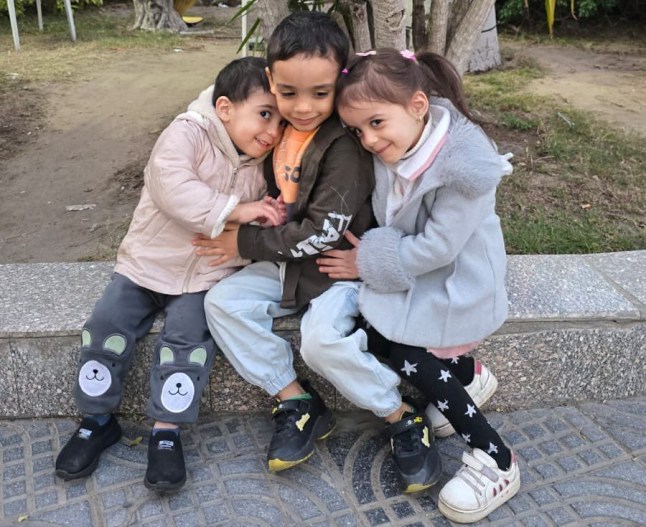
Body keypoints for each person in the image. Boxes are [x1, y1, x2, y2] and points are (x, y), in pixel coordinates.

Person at [54, 56, 285, 492]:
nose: (273, 131)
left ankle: (166, 431)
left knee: (187, 342)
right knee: (105, 327)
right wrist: (237, 210)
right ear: (224, 108)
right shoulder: (188, 132)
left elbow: (269, 219)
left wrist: (259, 221)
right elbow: (172, 186)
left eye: (280, 120)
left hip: (204, 276)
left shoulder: (267, 162)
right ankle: (96, 420)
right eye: (264, 114)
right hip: (146, 264)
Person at [314, 48, 520, 522]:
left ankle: (496, 457)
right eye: (358, 130)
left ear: (418, 105)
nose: (368, 139)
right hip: (419, 272)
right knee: (374, 332)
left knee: (407, 350)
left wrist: (366, 261)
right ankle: (466, 376)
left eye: (375, 123)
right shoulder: (404, 139)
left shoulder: (465, 167)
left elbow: (438, 248)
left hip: (458, 282)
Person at [198, 11, 386, 474]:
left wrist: (245, 241)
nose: (303, 107)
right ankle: (296, 399)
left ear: (340, 82)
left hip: (336, 270)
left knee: (319, 341)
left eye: (320, 93)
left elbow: (322, 232)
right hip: (291, 266)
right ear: (271, 81)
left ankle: (399, 413)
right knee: (222, 304)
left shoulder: (345, 146)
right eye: (288, 93)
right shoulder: (277, 130)